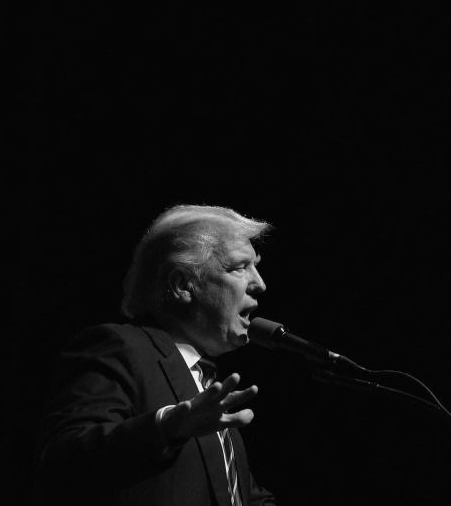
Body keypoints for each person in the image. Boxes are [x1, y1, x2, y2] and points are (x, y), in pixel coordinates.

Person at [35, 204, 278, 505]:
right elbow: (64, 461)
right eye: (240, 267)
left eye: (256, 266)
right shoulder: (121, 348)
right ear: (182, 285)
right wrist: (167, 426)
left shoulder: (208, 388)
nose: (260, 284)